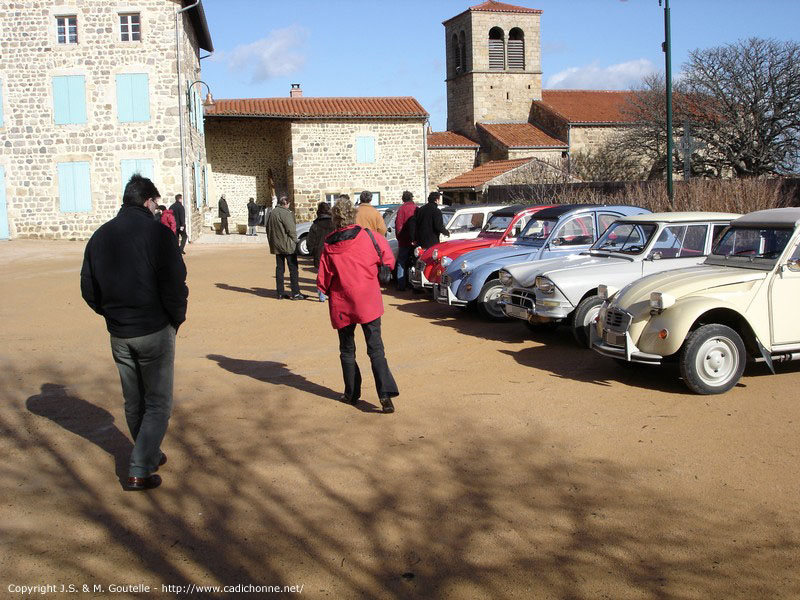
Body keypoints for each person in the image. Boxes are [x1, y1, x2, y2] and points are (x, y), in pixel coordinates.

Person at [80, 174, 188, 491]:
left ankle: (148, 451)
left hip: (120, 332)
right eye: (155, 204)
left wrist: (111, 314)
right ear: (148, 201)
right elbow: (174, 283)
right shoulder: (157, 234)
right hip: (153, 328)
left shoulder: (100, 236)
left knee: (134, 401)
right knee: (158, 403)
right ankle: (139, 468)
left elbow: (89, 289)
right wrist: (175, 320)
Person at [317, 196, 399, 413]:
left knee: (347, 350)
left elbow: (323, 281)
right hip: (368, 299)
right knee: (376, 349)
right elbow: (388, 260)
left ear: (335, 218)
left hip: (342, 301)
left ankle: (351, 393)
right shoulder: (369, 236)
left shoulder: (329, 245)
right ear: (352, 215)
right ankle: (385, 395)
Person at [267, 196, 304, 300]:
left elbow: (268, 228)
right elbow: (291, 229)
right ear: (286, 203)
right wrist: (296, 240)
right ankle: (296, 293)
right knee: (293, 269)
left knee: (280, 269)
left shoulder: (273, 212)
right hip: (287, 245)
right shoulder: (286, 213)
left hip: (277, 245)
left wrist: (272, 241)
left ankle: (280, 293)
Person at [306, 201, 336, 302]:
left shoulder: (315, 224)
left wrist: (312, 251)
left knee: (321, 275)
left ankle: (322, 295)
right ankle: (332, 294)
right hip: (332, 252)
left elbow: (310, 240)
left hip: (319, 252)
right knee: (332, 274)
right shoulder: (334, 223)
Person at [394, 190, 417, 291]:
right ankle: (415, 285)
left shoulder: (401, 209)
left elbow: (398, 225)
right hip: (414, 240)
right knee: (415, 263)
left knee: (401, 262)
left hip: (404, 240)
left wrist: (399, 237)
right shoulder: (416, 208)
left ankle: (401, 285)